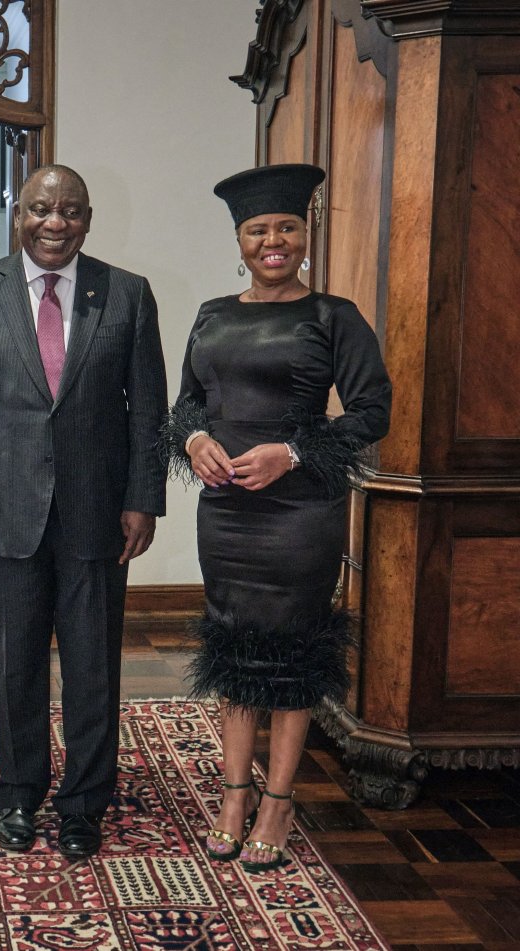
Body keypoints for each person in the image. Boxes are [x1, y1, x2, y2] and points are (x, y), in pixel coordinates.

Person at [161, 163, 391, 873]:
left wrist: (291, 453)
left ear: (304, 233)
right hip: (226, 513)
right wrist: (195, 440)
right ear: (240, 238)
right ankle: (235, 794)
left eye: (286, 227)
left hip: (300, 513)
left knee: (291, 655)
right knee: (233, 645)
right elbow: (186, 406)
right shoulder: (211, 314)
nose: (273, 240)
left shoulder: (334, 316)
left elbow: (371, 412)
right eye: (258, 229)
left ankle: (280, 798)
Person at [0, 165, 168, 859]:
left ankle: (84, 802)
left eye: (69, 210)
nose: (55, 222)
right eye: (41, 208)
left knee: (94, 663)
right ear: (19, 214)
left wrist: (143, 498)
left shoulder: (126, 294)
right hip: (5, 511)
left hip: (99, 510)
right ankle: (18, 793)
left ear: (88, 218)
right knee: (15, 662)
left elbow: (148, 409)